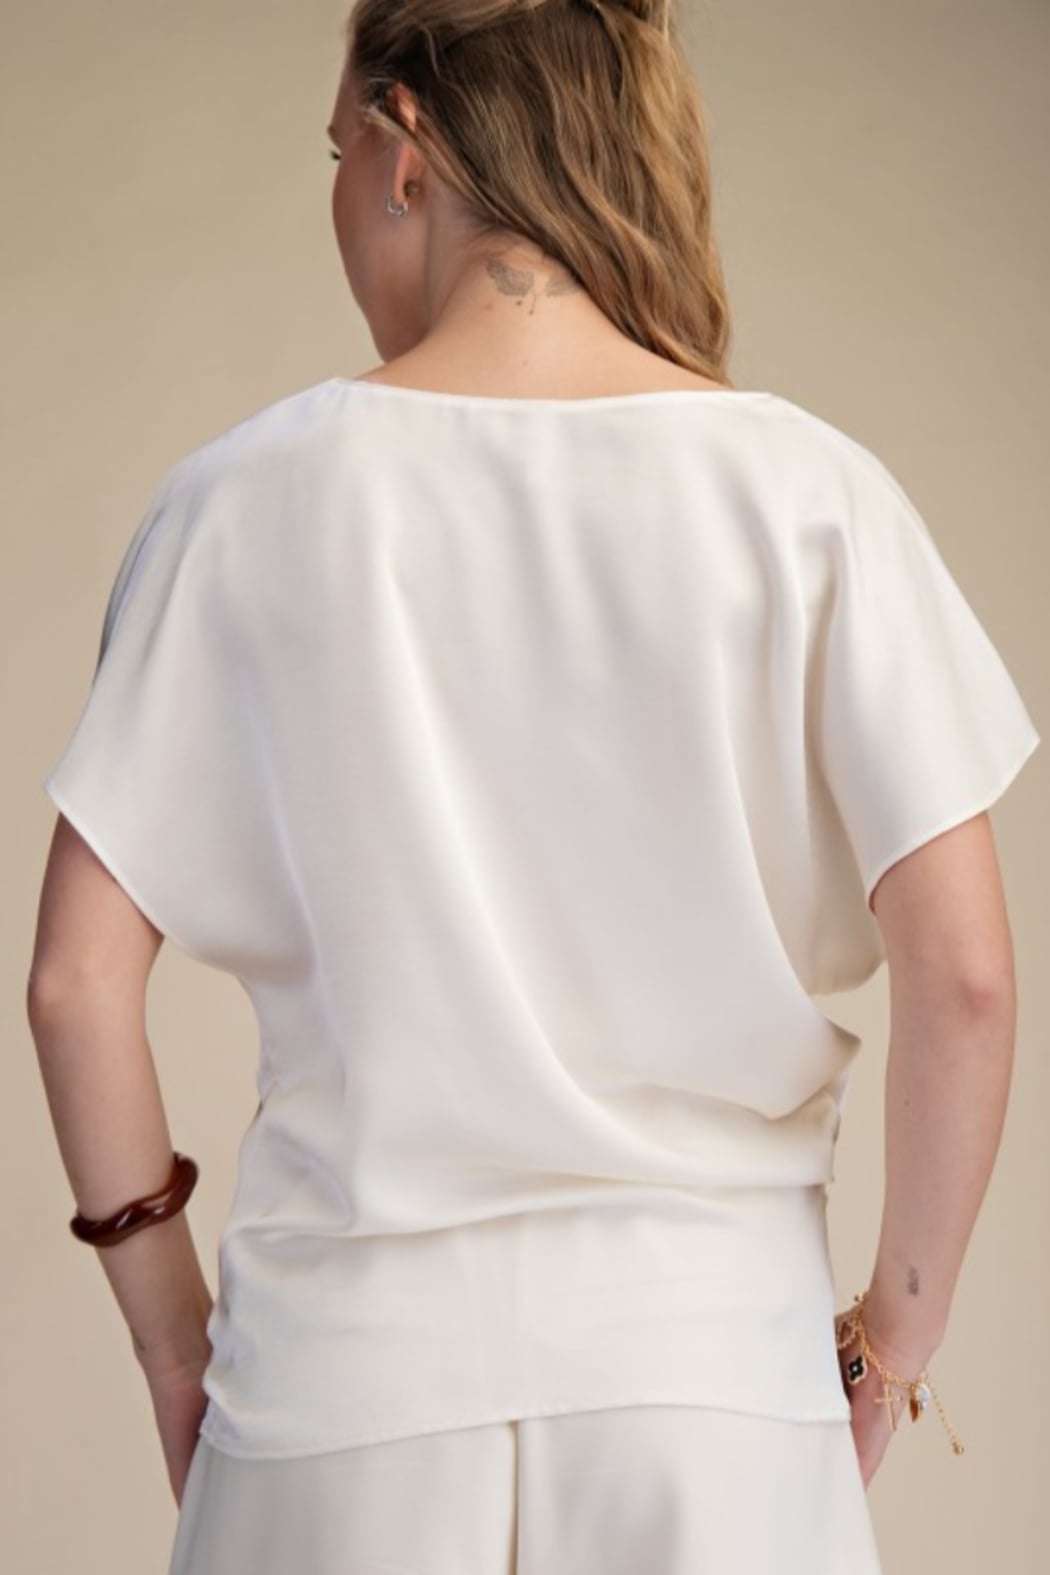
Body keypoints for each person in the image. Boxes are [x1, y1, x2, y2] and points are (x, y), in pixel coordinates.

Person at [27, 2, 1039, 1572]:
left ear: (405, 147)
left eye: (335, 148)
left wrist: (174, 1351)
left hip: (335, 1392)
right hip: (709, 1383)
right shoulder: (811, 497)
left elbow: (75, 985)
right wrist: (891, 1349)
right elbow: (964, 978)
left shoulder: (238, 502)